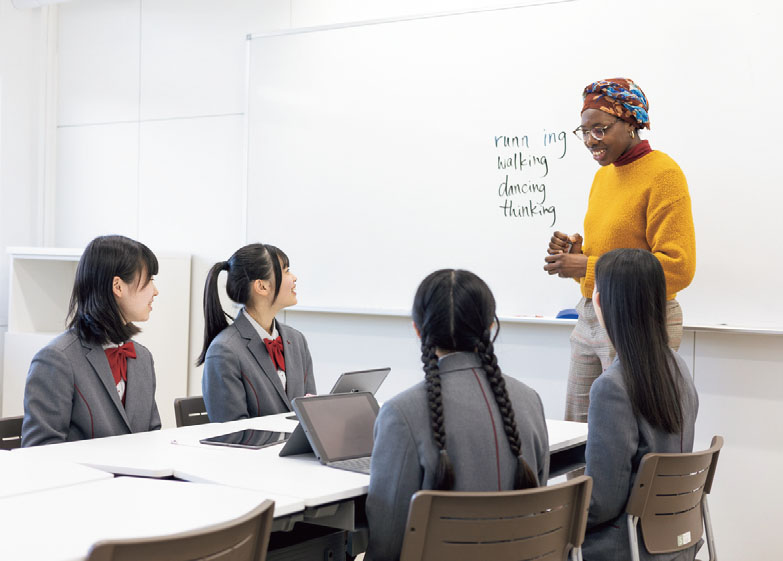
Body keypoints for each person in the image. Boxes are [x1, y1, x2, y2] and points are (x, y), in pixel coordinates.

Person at [365, 269, 549, 561]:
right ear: (490, 326)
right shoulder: (530, 400)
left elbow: (387, 545)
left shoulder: (401, 413)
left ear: (417, 329)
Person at [544, 77, 696, 423]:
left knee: (627, 436)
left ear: (631, 123)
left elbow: (678, 267)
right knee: (576, 435)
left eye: (600, 129)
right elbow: (613, 255)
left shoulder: (663, 174)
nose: (589, 141)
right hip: (590, 315)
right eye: (583, 131)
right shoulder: (603, 177)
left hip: (639, 320)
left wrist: (587, 264)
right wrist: (576, 254)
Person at [583, 249, 699, 561]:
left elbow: (602, 503)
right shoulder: (678, 367)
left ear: (599, 303)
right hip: (677, 543)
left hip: (630, 547)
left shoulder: (611, 388)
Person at [22, 235, 162, 446]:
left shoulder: (142, 358)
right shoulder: (57, 359)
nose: (155, 291)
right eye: (149, 280)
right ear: (118, 286)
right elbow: (40, 453)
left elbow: (153, 437)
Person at [198, 243, 315, 422]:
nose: (294, 278)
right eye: (286, 271)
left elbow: (311, 413)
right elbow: (231, 433)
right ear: (261, 286)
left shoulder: (296, 340)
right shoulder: (224, 351)